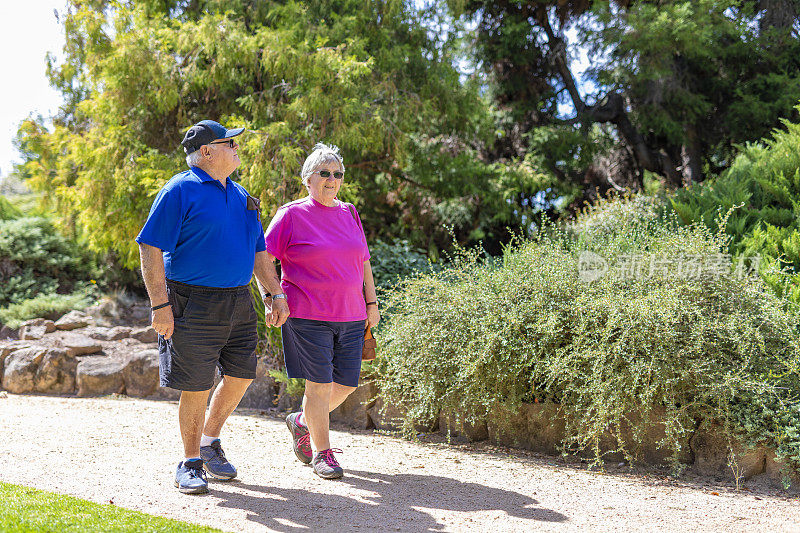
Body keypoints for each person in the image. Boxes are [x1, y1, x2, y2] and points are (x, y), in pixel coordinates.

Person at [136, 119, 273, 494]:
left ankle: (209, 441)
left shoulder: (243, 195)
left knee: (242, 375)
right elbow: (149, 247)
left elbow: (259, 251)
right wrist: (160, 305)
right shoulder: (180, 189)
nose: (237, 149)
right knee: (196, 385)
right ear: (208, 151)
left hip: (238, 301)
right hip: (189, 301)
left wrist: (273, 294)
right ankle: (190, 461)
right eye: (230, 143)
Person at [260, 143, 380, 479]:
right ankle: (322, 454)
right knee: (320, 385)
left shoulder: (350, 213)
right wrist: (272, 297)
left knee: (346, 383)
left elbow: (364, 263)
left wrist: (372, 303)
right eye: (324, 173)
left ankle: (302, 421)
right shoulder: (291, 214)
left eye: (337, 173)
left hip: (353, 314)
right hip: (307, 315)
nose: (331, 179)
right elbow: (263, 260)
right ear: (308, 179)